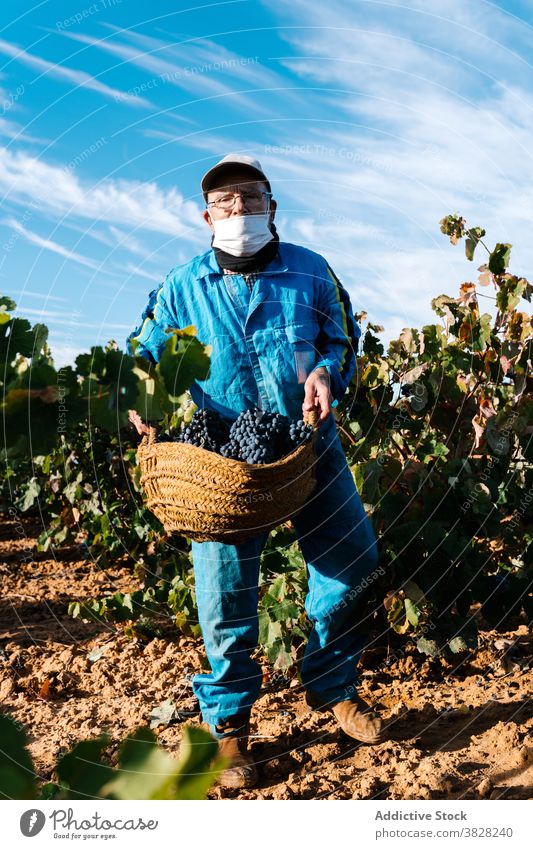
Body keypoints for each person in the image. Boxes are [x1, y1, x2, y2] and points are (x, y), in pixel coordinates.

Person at [126, 153, 386, 789]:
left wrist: (328, 371)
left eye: (250, 197)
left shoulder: (312, 270)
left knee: (349, 560)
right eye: (224, 201)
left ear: (273, 205)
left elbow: (340, 339)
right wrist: (138, 390)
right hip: (220, 464)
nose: (238, 209)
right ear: (205, 215)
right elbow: (141, 350)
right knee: (225, 595)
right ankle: (231, 729)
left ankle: (332, 686)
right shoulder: (180, 285)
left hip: (308, 444)